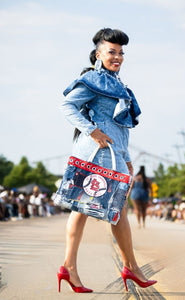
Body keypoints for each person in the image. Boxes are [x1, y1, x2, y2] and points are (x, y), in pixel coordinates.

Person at [57, 28, 157, 293]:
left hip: (112, 157)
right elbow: (66, 106)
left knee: (109, 211)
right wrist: (91, 129)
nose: (118, 56)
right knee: (100, 211)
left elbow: (118, 129)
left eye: (121, 52)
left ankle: (117, 267)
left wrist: (126, 157)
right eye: (112, 51)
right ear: (98, 54)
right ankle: (126, 267)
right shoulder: (93, 79)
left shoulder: (117, 84)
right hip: (95, 156)